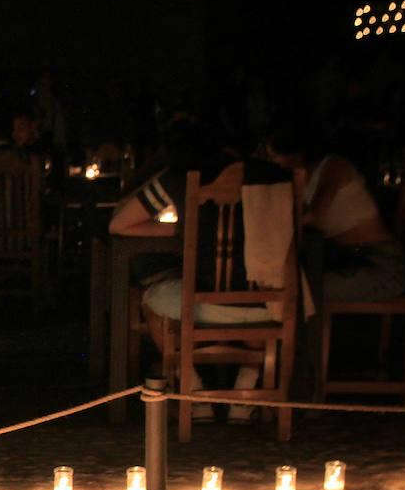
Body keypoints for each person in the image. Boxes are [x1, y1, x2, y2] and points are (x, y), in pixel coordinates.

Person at [109, 124, 284, 420]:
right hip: (271, 304)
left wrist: (184, 229)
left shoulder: (180, 178)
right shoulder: (276, 178)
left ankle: (195, 391)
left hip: (205, 306)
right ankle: (244, 393)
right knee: (251, 304)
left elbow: (119, 225)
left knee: (152, 300)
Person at [262, 127, 405, 303]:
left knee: (302, 289)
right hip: (351, 261)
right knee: (286, 282)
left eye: (272, 156)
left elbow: (314, 214)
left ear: (293, 154)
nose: (269, 162)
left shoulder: (333, 167)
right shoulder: (303, 183)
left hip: (383, 266)